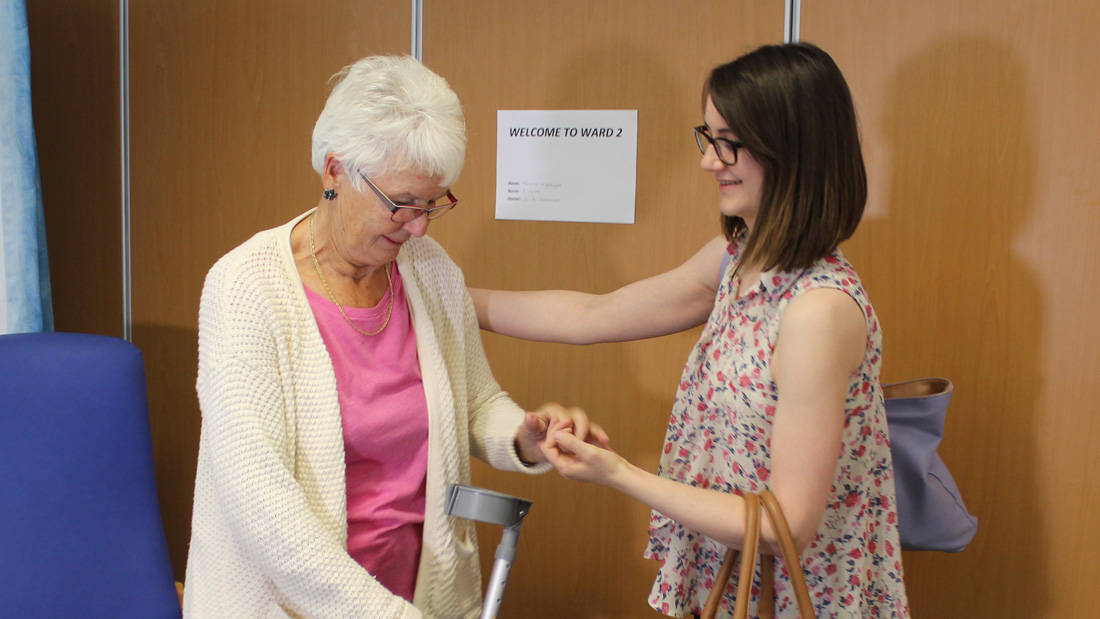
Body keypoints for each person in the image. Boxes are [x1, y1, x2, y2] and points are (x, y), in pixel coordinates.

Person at [471, 43, 909, 618]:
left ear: (794, 150)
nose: (709, 162)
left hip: (799, 598)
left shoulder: (817, 312)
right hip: (734, 579)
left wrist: (618, 474)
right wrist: (445, 296)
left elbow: (785, 527)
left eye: (730, 143)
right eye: (710, 138)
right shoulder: (738, 260)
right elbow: (592, 315)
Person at [183, 55, 605, 619]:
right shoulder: (246, 288)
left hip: (418, 592)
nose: (421, 225)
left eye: (434, 204)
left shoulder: (427, 268)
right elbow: (261, 507)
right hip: (289, 605)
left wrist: (524, 436)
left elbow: (473, 399)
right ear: (335, 172)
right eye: (402, 203)